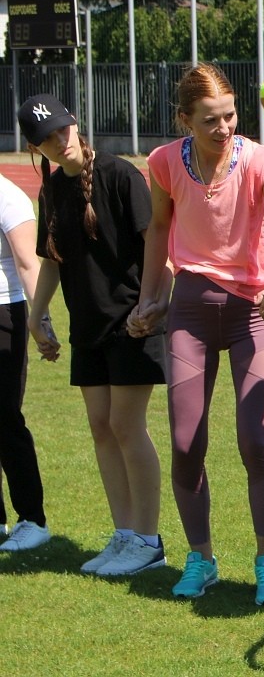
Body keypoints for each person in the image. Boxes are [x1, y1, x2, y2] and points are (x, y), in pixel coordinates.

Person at [128, 63, 264, 604]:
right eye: (210, 120)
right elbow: (159, 228)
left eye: (230, 115)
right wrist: (149, 297)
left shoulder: (256, 158)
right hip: (191, 310)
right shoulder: (162, 163)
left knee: (256, 438)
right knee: (186, 442)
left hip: (254, 311)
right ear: (184, 119)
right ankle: (200, 558)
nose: (224, 127)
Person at [20, 93, 171, 575]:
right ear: (35, 147)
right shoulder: (51, 192)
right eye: (46, 139)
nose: (58, 141)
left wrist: (152, 302)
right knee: (101, 429)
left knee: (127, 426)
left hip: (131, 322)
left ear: (75, 124)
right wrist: (37, 313)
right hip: (86, 326)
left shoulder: (119, 174)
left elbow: (156, 246)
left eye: (61, 130)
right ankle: (124, 534)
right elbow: (52, 261)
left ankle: (148, 541)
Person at [0, 151, 49, 554]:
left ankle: (32, 519)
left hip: (3, 314)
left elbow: (28, 264)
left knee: (5, 420)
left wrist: (40, 321)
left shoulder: (8, 195)